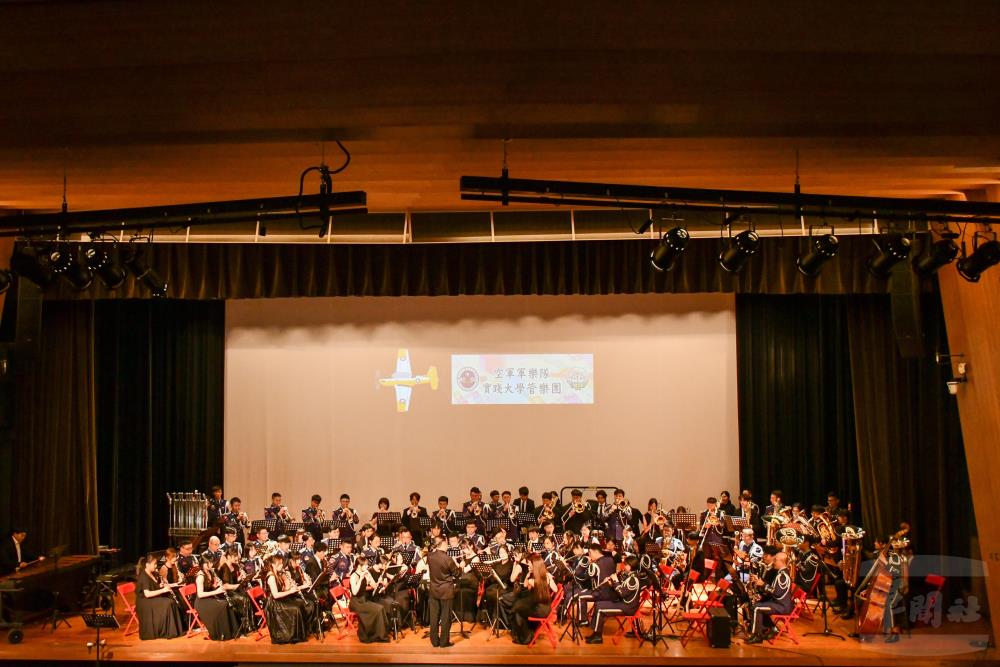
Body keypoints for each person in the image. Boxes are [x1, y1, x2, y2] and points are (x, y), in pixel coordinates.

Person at [585, 555, 641, 644]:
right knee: (598, 604)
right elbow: (622, 589)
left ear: (630, 566)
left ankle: (598, 637)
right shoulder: (630, 576)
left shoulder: (633, 579)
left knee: (600, 609)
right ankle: (595, 632)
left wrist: (615, 581)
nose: (624, 566)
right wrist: (612, 584)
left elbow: (622, 593)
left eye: (625, 564)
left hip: (628, 607)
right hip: (624, 604)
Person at [746, 551, 793, 643]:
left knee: (757, 608)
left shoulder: (783, 576)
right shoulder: (780, 573)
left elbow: (777, 593)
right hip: (779, 603)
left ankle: (757, 635)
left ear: (782, 562)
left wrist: (763, 584)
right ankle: (766, 629)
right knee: (757, 604)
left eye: (775, 560)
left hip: (782, 606)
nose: (773, 562)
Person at [134, 554, 184, 640]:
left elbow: (153, 586)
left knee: (171, 600)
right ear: (147, 565)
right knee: (168, 603)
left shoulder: (152, 573)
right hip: (145, 602)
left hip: (151, 599)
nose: (156, 566)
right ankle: (168, 631)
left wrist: (160, 586)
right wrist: (163, 590)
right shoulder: (144, 576)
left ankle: (176, 629)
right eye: (154, 564)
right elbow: (147, 594)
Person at [510, 552, 556, 644]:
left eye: (530, 564)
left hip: (539, 610)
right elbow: (555, 589)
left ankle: (525, 638)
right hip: (546, 608)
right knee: (518, 605)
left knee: (517, 609)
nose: (528, 565)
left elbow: (526, 585)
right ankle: (527, 633)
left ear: (535, 565)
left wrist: (528, 578)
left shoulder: (533, 581)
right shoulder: (546, 576)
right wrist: (549, 579)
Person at [263, 555, 309, 644]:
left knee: (300, 605)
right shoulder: (271, 576)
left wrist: (288, 586)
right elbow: (275, 595)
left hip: (279, 600)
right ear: (273, 565)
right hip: (273, 604)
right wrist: (290, 591)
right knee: (296, 609)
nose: (282, 566)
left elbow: (282, 590)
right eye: (280, 564)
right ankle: (291, 635)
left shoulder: (277, 574)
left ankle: (298, 634)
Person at [427, 536, 462, 648]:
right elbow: (457, 574)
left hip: (434, 590)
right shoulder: (448, 559)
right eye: (447, 543)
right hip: (446, 591)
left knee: (434, 617)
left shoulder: (430, 556)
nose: (448, 545)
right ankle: (443, 642)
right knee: (446, 617)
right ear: (442, 543)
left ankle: (434, 641)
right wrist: (460, 566)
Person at [194, 559, 239, 640]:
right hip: (201, 602)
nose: (211, 565)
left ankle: (232, 631)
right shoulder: (200, 576)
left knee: (226, 603)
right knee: (223, 605)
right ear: (203, 564)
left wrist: (215, 585)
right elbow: (200, 594)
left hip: (208, 598)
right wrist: (216, 591)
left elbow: (209, 587)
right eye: (208, 563)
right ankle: (222, 633)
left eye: (211, 563)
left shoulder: (209, 572)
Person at [349, 556, 390, 643]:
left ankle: (381, 633)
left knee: (381, 608)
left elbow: (374, 585)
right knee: (377, 610)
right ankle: (373, 634)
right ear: (359, 566)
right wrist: (361, 578)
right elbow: (355, 592)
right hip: (356, 602)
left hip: (364, 600)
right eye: (365, 565)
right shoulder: (354, 576)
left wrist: (377, 581)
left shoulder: (366, 572)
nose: (367, 566)